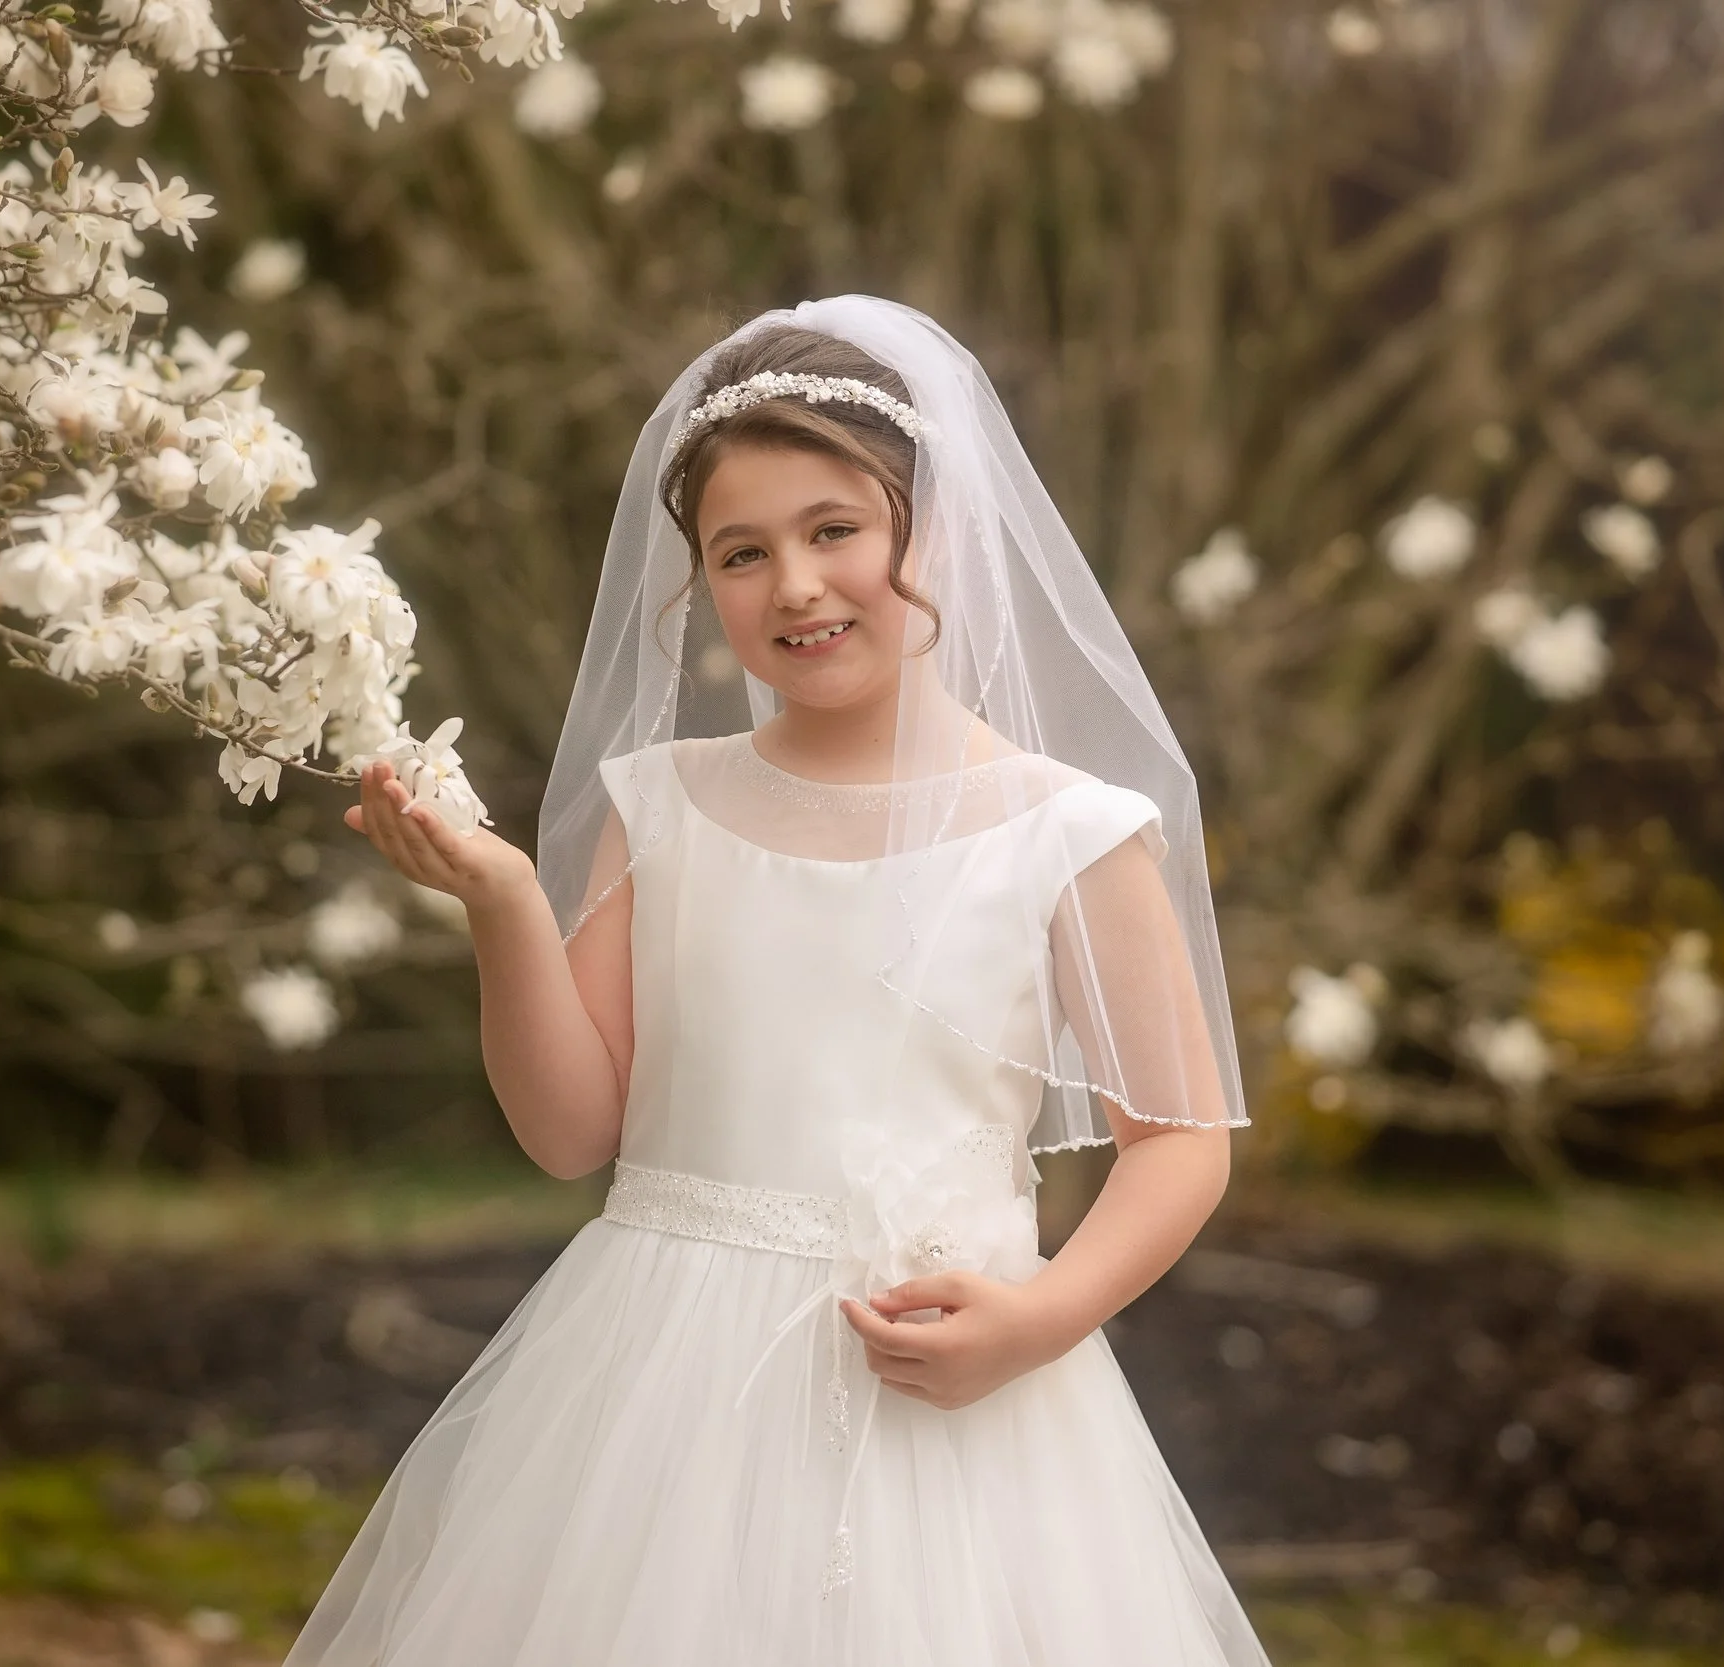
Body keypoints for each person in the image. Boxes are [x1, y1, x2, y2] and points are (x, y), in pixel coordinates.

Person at [291, 296, 1268, 1666]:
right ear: (699, 588)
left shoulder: (1068, 828)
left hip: (948, 1388)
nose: (796, 585)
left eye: (835, 531)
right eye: (742, 554)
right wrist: (506, 903)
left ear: (936, 532)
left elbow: (1183, 1141)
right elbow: (575, 1130)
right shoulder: (664, 804)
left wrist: (1041, 1316)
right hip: (656, 1390)